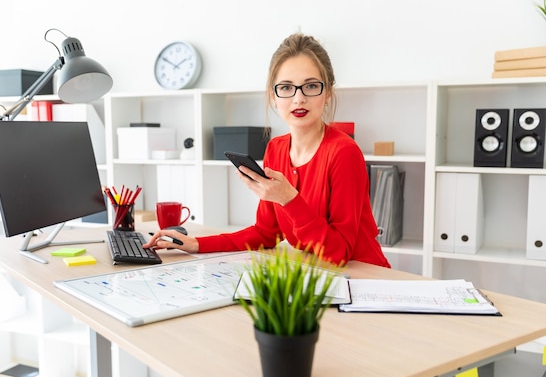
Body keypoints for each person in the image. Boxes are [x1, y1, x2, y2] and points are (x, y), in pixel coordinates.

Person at [145, 33, 389, 270]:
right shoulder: (276, 148)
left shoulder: (344, 152)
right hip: (318, 275)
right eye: (286, 88)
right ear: (274, 96)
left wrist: (289, 199)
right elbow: (266, 232)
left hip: (363, 277)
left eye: (311, 86)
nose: (299, 98)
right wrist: (197, 244)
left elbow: (339, 252)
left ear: (327, 94)